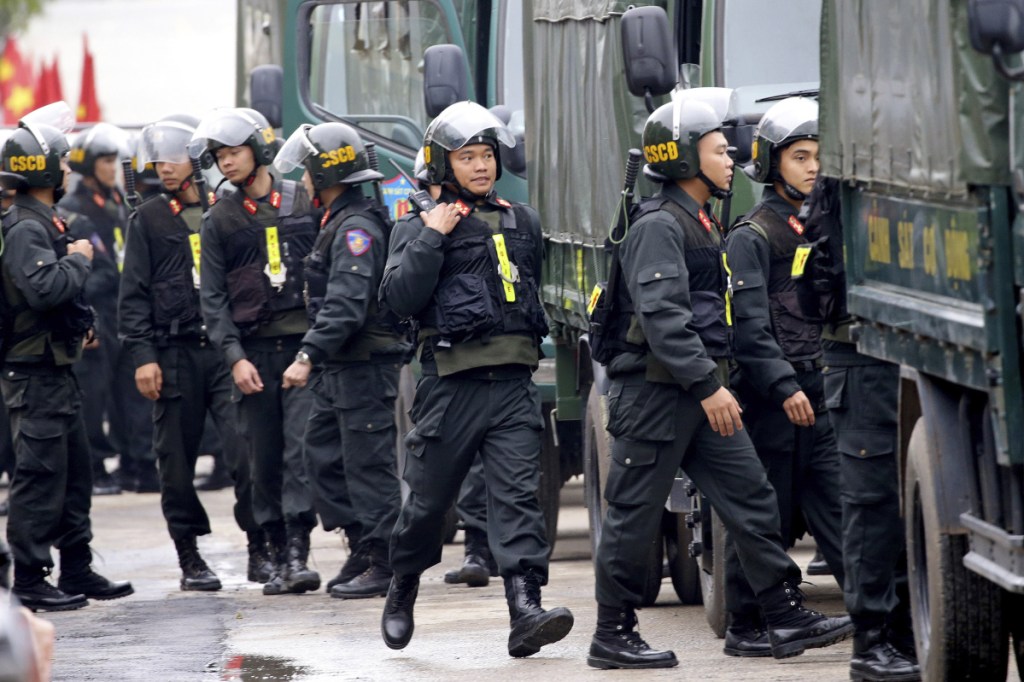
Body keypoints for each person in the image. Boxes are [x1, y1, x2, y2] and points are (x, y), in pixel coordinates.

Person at [586, 98, 852, 669]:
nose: (730, 158)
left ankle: (776, 616)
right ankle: (612, 632)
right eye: (716, 149)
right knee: (633, 514)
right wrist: (710, 386)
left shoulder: (703, 223)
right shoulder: (659, 225)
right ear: (683, 158)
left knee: (753, 498)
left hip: (701, 395)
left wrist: (709, 387)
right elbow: (662, 318)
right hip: (657, 397)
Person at [379, 101, 572, 656]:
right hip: (450, 385)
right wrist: (432, 237)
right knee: (427, 503)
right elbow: (398, 300)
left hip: (512, 384)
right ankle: (403, 585)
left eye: (487, 155)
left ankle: (525, 608)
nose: (482, 166)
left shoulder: (522, 219)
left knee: (517, 497)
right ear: (444, 165)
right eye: (468, 157)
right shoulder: (415, 225)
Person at [118, 114, 269, 591]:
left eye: (176, 158)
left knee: (246, 454)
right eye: (159, 160)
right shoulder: (148, 218)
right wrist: (143, 355)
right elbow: (133, 295)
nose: (165, 169)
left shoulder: (225, 208)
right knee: (176, 463)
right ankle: (189, 556)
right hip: (173, 353)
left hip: (223, 352)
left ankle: (259, 548)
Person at [722, 97, 846, 657]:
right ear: (773, 164)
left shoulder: (826, 226)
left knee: (843, 506)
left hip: (824, 392)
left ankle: (879, 618)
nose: (813, 166)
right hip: (774, 401)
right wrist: (782, 386)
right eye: (800, 156)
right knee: (763, 512)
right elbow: (748, 326)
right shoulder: (752, 235)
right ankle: (745, 625)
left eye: (820, 155)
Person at [0, 102, 133, 612]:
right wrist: (78, 261)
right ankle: (31, 578)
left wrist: (86, 326)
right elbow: (43, 289)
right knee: (38, 478)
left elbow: (61, 304)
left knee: (76, 474)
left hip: (57, 369)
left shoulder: (45, 220)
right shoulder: (26, 227)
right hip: (32, 376)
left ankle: (77, 565)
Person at [275, 121, 411, 599]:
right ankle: (362, 542)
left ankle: (387, 562)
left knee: (368, 466)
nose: (304, 181)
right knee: (324, 458)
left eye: (309, 172)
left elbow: (347, 305)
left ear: (323, 172)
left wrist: (307, 354)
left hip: (363, 367)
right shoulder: (338, 219)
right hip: (342, 370)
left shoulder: (356, 227)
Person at [190, 108, 320, 596]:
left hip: (301, 350)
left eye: (234, 152)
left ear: (258, 150)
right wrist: (233, 357)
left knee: (299, 452)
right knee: (259, 458)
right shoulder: (219, 219)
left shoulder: (300, 199)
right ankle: (269, 547)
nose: (227, 163)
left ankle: (297, 554)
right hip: (252, 355)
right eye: (220, 156)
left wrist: (312, 351)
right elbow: (214, 300)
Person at [795, 174, 920, 680]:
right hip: (860, 360)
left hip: (897, 359)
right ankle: (871, 643)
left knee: (902, 504)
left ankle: (905, 635)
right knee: (872, 506)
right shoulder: (838, 189)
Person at [59, 123, 157, 495]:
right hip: (95, 311)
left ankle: (136, 460)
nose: (111, 166)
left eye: (114, 159)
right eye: (104, 160)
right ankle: (96, 464)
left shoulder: (116, 199)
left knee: (129, 392)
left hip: (121, 309)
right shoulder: (74, 208)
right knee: (93, 394)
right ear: (86, 164)